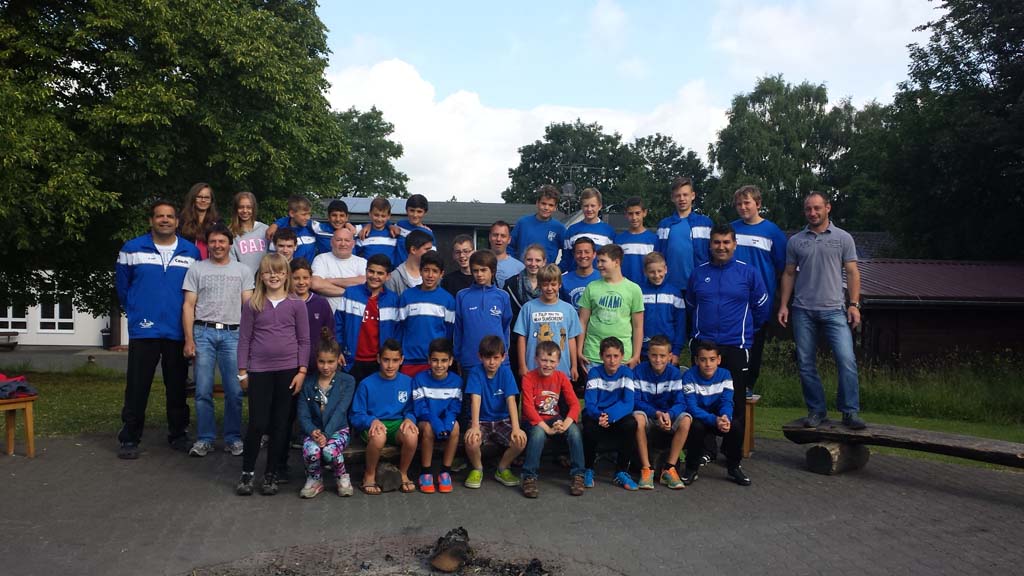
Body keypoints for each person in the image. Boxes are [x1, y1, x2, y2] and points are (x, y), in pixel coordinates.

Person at [115, 200, 200, 459]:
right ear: (151, 220)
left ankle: (178, 434)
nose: (165, 220)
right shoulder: (132, 248)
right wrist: (137, 310)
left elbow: (196, 290)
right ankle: (130, 438)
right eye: (160, 216)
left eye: (169, 216)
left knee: (177, 387)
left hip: (177, 330)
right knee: (137, 386)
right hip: (144, 329)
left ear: (177, 221)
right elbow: (122, 288)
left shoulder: (191, 252)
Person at [686, 224, 769, 482]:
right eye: (716, 242)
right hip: (704, 345)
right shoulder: (698, 273)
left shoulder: (748, 272)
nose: (721, 247)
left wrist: (745, 333)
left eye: (726, 242)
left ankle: (733, 461)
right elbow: (691, 306)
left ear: (734, 244)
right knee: (701, 400)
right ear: (710, 245)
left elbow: (761, 308)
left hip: (735, 346)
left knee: (735, 405)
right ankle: (703, 453)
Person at [778, 192, 866, 430]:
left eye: (817, 208)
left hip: (834, 309)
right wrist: (784, 305)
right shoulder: (796, 241)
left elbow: (853, 272)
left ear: (828, 208)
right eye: (808, 209)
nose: (813, 213)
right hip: (802, 310)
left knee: (846, 360)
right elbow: (789, 273)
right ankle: (817, 411)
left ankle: (850, 412)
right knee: (806, 364)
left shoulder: (843, 238)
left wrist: (854, 304)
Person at [235, 254, 310, 496]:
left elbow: (304, 340)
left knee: (280, 425)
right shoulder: (252, 304)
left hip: (288, 371)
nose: (274, 276)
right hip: (259, 371)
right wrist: (242, 372)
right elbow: (244, 339)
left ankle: (271, 474)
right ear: (261, 276)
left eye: (278, 271)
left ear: (286, 275)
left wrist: (302, 370)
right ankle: (247, 473)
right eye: (268, 272)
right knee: (257, 424)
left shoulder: (297, 304)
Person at [181, 223, 254, 458]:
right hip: (203, 333)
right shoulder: (197, 268)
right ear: (208, 244)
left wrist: (250, 340)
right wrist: (189, 339)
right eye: (213, 241)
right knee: (203, 390)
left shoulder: (242, 271)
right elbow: (188, 305)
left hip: (233, 334)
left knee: (235, 391)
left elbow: (248, 307)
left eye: (222, 241)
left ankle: (233, 438)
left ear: (230, 244)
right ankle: (205, 438)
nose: (217, 245)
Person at [731, 185, 788, 397]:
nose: (743, 207)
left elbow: (783, 269)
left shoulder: (773, 232)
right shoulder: (730, 229)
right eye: (739, 204)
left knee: (755, 345)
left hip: (759, 301)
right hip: (732, 299)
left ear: (758, 204)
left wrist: (779, 300)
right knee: (732, 345)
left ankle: (748, 385)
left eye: (747, 202)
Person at [348, 339, 419, 495]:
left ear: (402, 360)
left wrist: (410, 419)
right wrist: (371, 420)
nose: (390, 365)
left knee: (412, 435)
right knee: (379, 436)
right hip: (374, 425)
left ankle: (403, 473)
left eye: (395, 360)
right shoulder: (366, 384)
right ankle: (369, 475)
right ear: (378, 358)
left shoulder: (408, 382)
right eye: (386, 360)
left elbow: (413, 409)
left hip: (397, 425)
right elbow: (356, 415)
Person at [520, 341, 585, 498]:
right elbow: (528, 408)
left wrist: (565, 424)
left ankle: (578, 475)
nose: (548, 365)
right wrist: (547, 429)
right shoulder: (528, 378)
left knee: (574, 431)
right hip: (533, 420)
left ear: (558, 362)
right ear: (536, 359)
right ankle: (529, 476)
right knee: (538, 434)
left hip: (554, 417)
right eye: (544, 360)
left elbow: (575, 404)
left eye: (552, 361)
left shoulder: (561, 377)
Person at [297, 328, 356, 498]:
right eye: (321, 361)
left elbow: (340, 411)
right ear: (316, 360)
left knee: (329, 451)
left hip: (338, 430)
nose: (326, 366)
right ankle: (315, 479)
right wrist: (312, 431)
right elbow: (303, 414)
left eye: (331, 362)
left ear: (338, 360)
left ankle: (342, 476)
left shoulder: (347, 381)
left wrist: (326, 434)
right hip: (314, 431)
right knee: (311, 450)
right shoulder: (308, 383)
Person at [463, 335, 527, 489]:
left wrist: (516, 428)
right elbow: (475, 399)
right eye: (487, 358)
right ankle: (477, 469)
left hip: (502, 420)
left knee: (520, 440)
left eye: (496, 358)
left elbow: (511, 401)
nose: (492, 362)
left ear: (503, 357)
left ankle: (502, 468)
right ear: (480, 357)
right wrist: (475, 426)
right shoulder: (475, 372)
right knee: (471, 440)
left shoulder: (506, 372)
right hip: (482, 420)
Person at [680, 341, 747, 486]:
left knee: (736, 426)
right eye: (703, 359)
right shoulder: (689, 376)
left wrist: (725, 417)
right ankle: (691, 469)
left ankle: (734, 468)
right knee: (695, 426)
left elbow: (727, 401)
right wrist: (714, 419)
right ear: (696, 360)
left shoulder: (725, 374)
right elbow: (692, 407)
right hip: (700, 417)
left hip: (718, 417)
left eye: (712, 359)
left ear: (719, 360)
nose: (708, 364)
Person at [632, 335, 690, 490]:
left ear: (670, 356)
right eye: (654, 355)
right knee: (637, 418)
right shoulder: (638, 371)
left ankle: (669, 468)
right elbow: (635, 401)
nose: (658, 360)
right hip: (649, 415)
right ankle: (647, 468)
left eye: (662, 356)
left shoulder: (674, 373)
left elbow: (681, 402)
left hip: (668, 415)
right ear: (648, 354)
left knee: (686, 420)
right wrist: (656, 413)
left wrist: (669, 414)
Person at [582, 337, 639, 490]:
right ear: (601, 356)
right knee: (588, 425)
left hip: (615, 416)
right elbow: (590, 403)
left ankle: (621, 471)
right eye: (608, 356)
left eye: (616, 356)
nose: (612, 361)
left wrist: (609, 416)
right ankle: (588, 468)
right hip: (597, 415)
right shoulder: (594, 372)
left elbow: (628, 403)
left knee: (631, 424)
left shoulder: (627, 373)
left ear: (622, 356)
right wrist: (600, 416)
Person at [578, 244, 644, 373]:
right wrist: (579, 351)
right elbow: (582, 322)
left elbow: (638, 326)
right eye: (598, 261)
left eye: (603, 261)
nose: (599, 265)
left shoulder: (633, 289)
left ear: (616, 262)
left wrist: (636, 355)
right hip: (593, 354)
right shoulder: (591, 287)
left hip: (622, 357)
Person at [334, 254, 399, 383]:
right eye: (371, 271)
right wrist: (338, 350)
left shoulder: (393, 299)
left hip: (379, 362)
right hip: (351, 360)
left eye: (380, 273)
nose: (374, 276)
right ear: (366, 271)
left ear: (388, 276)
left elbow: (397, 332)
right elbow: (338, 324)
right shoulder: (351, 293)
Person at [513, 264, 581, 381]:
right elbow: (522, 337)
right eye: (545, 284)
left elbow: (571, 339)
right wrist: (522, 365)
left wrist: (574, 366)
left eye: (553, 284)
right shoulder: (528, 308)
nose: (549, 288)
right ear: (539, 285)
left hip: (561, 370)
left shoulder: (568, 309)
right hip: (533, 369)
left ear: (559, 284)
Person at [412, 338, 462, 494]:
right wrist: (437, 424)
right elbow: (420, 409)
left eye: (444, 360)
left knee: (455, 427)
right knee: (428, 428)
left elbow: (454, 408)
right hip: (425, 421)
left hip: (445, 421)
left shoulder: (457, 381)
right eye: (435, 360)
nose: (439, 365)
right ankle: (426, 472)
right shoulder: (419, 379)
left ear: (451, 361)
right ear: (429, 360)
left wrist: (446, 425)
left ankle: (445, 471)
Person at [396, 251, 455, 377]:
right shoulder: (407, 297)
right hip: (409, 360)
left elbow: (449, 333)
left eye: (435, 271)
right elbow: (400, 329)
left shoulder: (448, 300)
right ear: (420, 271)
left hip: (436, 362)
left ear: (441, 274)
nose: (430, 275)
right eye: (426, 270)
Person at [454, 250, 512, 372]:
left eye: (483, 270)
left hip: (498, 361)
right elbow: (458, 329)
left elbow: (506, 327)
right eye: (475, 271)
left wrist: (504, 353)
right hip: (470, 361)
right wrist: (458, 356)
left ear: (493, 271)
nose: (479, 274)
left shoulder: (503, 296)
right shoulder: (462, 296)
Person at [656, 176, 712, 293]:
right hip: (669, 286)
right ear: (672, 198)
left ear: (693, 195)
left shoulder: (705, 223)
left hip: (699, 285)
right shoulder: (664, 225)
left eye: (685, 195)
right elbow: (658, 255)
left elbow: (713, 254)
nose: (682, 199)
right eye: (678, 195)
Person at [639, 252, 685, 364]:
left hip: (668, 352)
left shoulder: (674, 293)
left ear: (666, 269)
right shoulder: (639, 292)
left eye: (659, 271)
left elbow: (681, 324)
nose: (656, 275)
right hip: (643, 350)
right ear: (645, 272)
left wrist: (676, 351)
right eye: (652, 272)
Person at [310, 227, 367, 313]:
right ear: (331, 242)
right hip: (328, 316)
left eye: (347, 240)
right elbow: (316, 284)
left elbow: (365, 282)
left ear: (353, 243)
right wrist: (348, 293)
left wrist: (330, 281)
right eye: (339, 240)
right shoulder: (321, 259)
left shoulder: (362, 262)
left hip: (355, 316)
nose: (343, 244)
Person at [561, 187, 615, 273]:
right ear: (581, 207)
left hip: (600, 279)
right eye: (586, 206)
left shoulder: (609, 231)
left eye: (593, 206)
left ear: (600, 206)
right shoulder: (572, 230)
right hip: (576, 279)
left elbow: (612, 262)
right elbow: (566, 261)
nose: (589, 209)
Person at [510, 184, 565, 264]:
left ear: (555, 207)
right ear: (537, 203)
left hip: (546, 271)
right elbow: (509, 247)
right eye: (543, 203)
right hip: (523, 270)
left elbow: (568, 253)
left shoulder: (559, 228)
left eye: (550, 205)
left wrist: (559, 268)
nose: (546, 208)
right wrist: (515, 266)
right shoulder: (522, 223)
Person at [616, 196, 657, 285]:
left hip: (647, 289)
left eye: (637, 213)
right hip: (624, 288)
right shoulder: (619, 240)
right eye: (630, 214)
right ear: (626, 214)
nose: (634, 217)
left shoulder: (654, 239)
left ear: (644, 213)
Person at [266, 196, 319, 264]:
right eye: (304, 214)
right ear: (292, 213)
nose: (308, 218)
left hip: (307, 270)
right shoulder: (277, 232)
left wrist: (277, 223)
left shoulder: (313, 228)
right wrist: (276, 224)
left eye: (309, 214)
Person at [228, 191, 269, 276]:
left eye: (249, 207)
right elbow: (232, 262)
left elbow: (273, 256)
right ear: (236, 209)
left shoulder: (264, 229)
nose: (245, 211)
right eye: (241, 207)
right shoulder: (231, 233)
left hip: (266, 280)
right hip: (243, 280)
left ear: (254, 209)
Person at [356, 196, 405, 265]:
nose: (379, 219)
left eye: (383, 216)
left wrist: (389, 225)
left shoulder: (394, 233)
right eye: (376, 215)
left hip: (390, 271)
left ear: (389, 216)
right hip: (369, 271)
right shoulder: (363, 232)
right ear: (370, 213)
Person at [179, 182, 221, 260]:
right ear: (193, 198)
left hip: (211, 265)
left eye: (207, 197)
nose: (203, 200)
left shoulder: (218, 223)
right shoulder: (181, 222)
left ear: (211, 200)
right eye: (199, 197)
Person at [385, 229, 433, 296]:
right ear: (413, 250)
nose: (430, 253)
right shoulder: (394, 278)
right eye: (427, 249)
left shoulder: (434, 275)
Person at [559, 236, 601, 309]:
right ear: (574, 255)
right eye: (579, 252)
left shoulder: (603, 278)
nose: (583, 256)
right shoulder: (563, 281)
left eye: (587, 252)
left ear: (594, 254)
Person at [490, 220, 524, 288]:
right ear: (489, 237)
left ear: (509, 239)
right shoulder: (479, 263)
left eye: (503, 236)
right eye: (495, 235)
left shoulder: (519, 268)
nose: (498, 239)